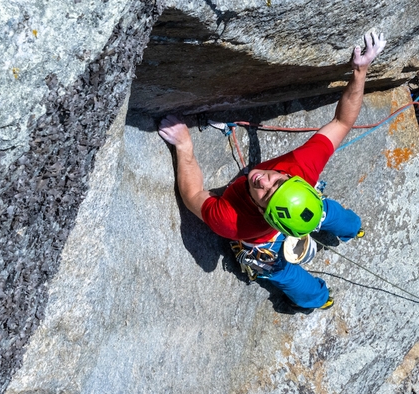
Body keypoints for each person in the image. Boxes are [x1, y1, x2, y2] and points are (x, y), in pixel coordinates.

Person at [157, 29, 387, 310]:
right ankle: (353, 229)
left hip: (263, 243)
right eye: (276, 183)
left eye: (265, 195)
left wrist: (184, 146)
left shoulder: (231, 220)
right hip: (300, 209)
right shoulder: (301, 168)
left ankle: (317, 298)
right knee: (323, 211)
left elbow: (192, 193)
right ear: (291, 178)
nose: (261, 181)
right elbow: (342, 122)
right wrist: (361, 72)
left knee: (282, 273)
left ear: (262, 211)